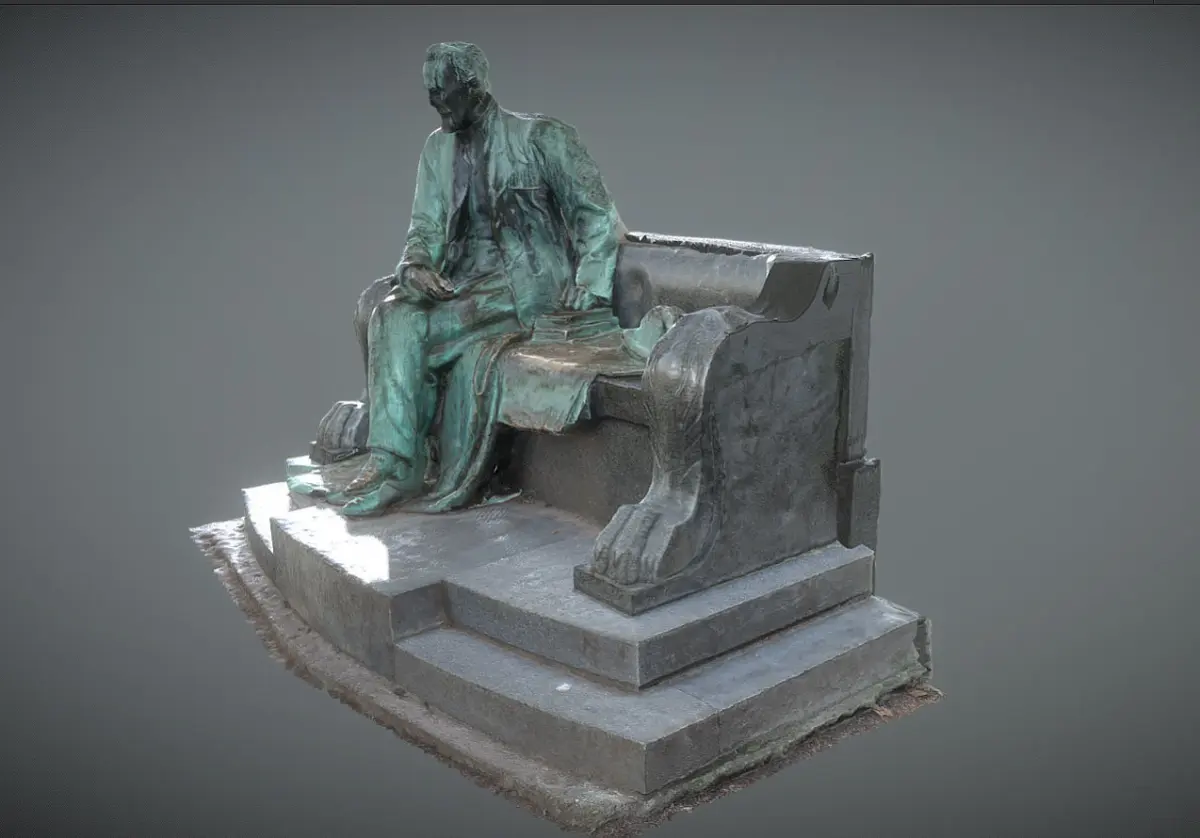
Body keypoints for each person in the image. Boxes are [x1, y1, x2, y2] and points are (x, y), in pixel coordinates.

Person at [336, 41, 624, 517]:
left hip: (526, 288)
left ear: (472, 87)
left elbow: (597, 215)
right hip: (461, 285)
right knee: (392, 314)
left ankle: (404, 467)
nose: (434, 101)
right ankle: (393, 465)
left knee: (409, 327)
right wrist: (416, 266)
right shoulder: (436, 149)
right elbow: (425, 227)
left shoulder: (542, 137)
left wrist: (590, 283)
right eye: (429, 92)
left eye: (442, 91)